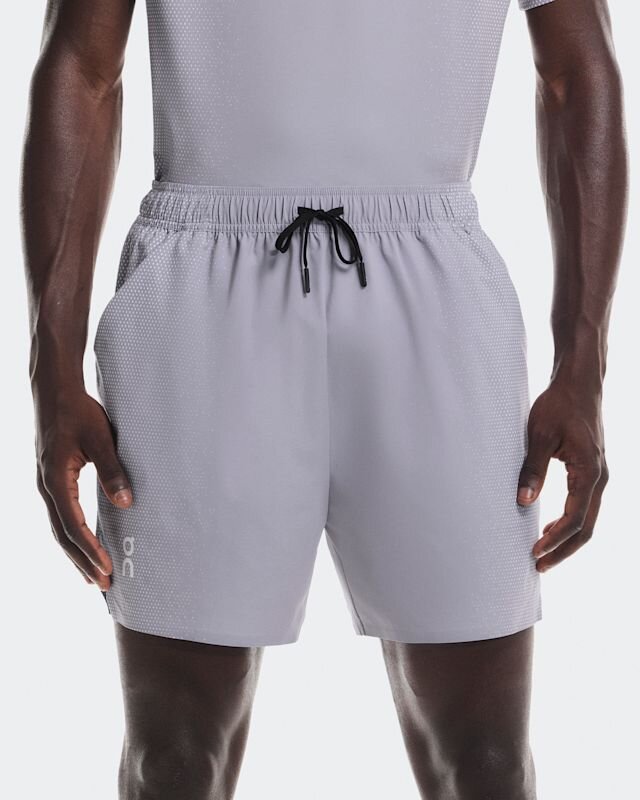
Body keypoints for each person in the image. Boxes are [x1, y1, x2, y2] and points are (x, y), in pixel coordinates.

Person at [21, 0, 627, 798]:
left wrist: (584, 366)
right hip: (201, 288)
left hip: (435, 285)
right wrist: (52, 367)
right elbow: (83, 66)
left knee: (486, 760)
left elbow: (577, 71)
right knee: (175, 756)